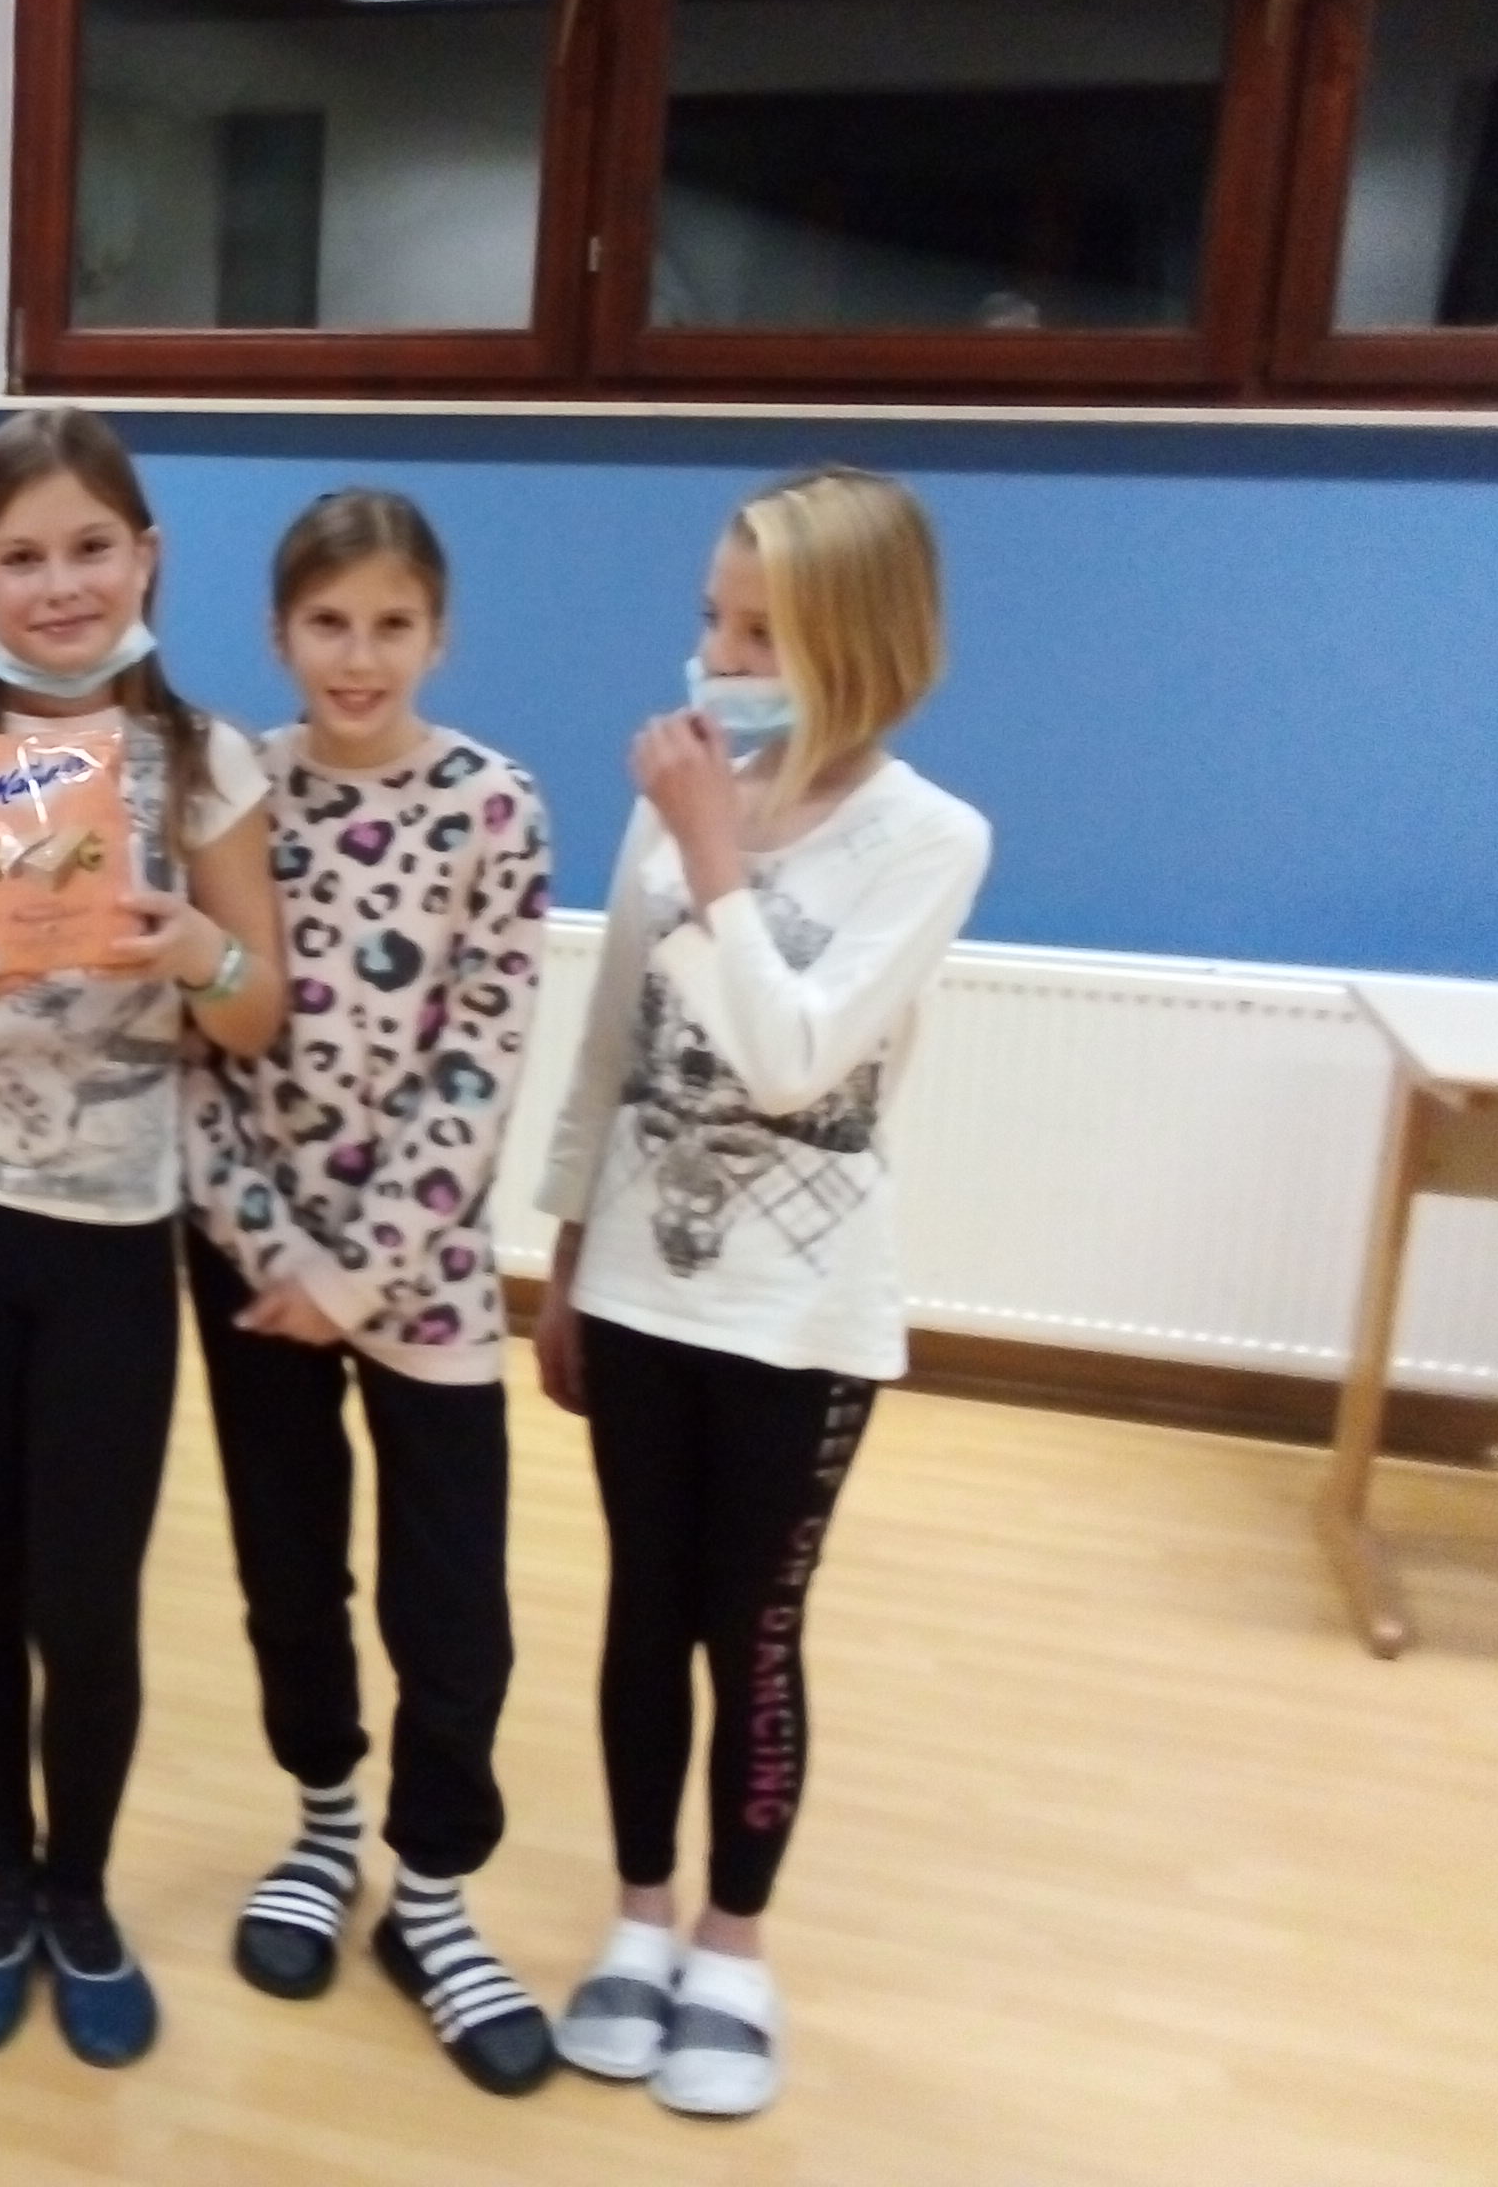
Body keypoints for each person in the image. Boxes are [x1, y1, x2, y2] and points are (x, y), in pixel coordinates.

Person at [0, 405, 283, 2067]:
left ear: (147, 556)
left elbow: (259, 1011)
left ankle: (80, 1892)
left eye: (92, 547)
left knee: (85, 1598)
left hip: (111, 1240)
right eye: (22, 556)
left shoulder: (207, 762)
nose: (61, 583)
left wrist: (194, 954)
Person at [531, 465, 990, 2118]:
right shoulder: (680, 798)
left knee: (753, 1626)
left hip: (802, 1315)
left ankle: (734, 1941)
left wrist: (717, 853)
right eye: (712, 619)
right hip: (642, 1284)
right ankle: (641, 1915)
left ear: (857, 643)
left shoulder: (929, 838)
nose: (716, 657)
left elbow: (796, 1062)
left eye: (759, 631)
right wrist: (564, 1259)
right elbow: (611, 1045)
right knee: (643, 1612)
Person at [180, 490, 557, 2094]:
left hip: (424, 1274)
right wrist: (275, 1253)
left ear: (438, 635)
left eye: (391, 624)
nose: (358, 655)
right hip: (256, 1265)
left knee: (451, 1598)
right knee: (288, 1565)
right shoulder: (230, 793)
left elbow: (480, 1063)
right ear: (280, 634)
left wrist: (359, 1271)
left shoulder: (495, 807)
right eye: (328, 623)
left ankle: (435, 1892)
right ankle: (325, 1826)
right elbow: (189, 1053)